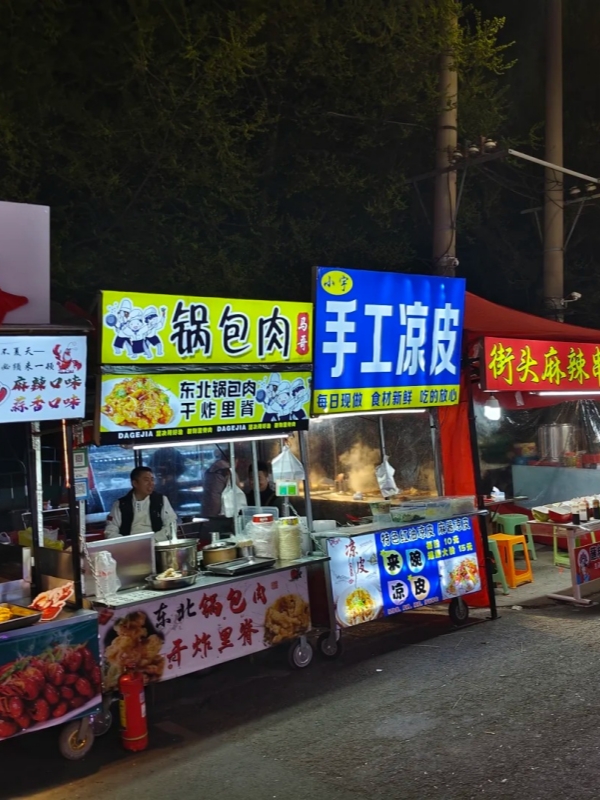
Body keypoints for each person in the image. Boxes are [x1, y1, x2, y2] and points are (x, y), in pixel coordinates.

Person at [104, 466, 178, 540]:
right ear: (135, 483)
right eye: (146, 480)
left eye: (152, 480)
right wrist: (127, 543)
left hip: (156, 542)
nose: (151, 483)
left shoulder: (161, 500)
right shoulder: (120, 504)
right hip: (130, 544)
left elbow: (171, 524)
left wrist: (153, 540)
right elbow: (110, 530)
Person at [201, 448, 234, 518]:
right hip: (219, 511)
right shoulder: (226, 470)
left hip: (207, 508)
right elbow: (237, 488)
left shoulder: (211, 469)